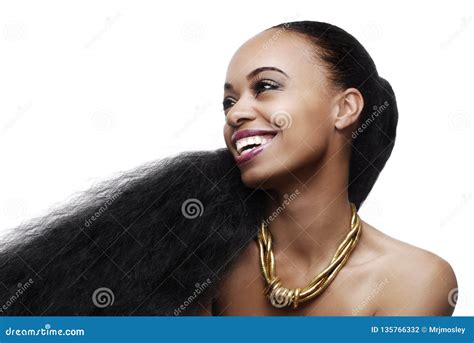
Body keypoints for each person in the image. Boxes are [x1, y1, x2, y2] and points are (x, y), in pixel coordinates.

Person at [0, 21, 457, 316]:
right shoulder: (200, 256)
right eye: (229, 101)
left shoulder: (417, 280)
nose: (237, 113)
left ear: (346, 108)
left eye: (266, 87)